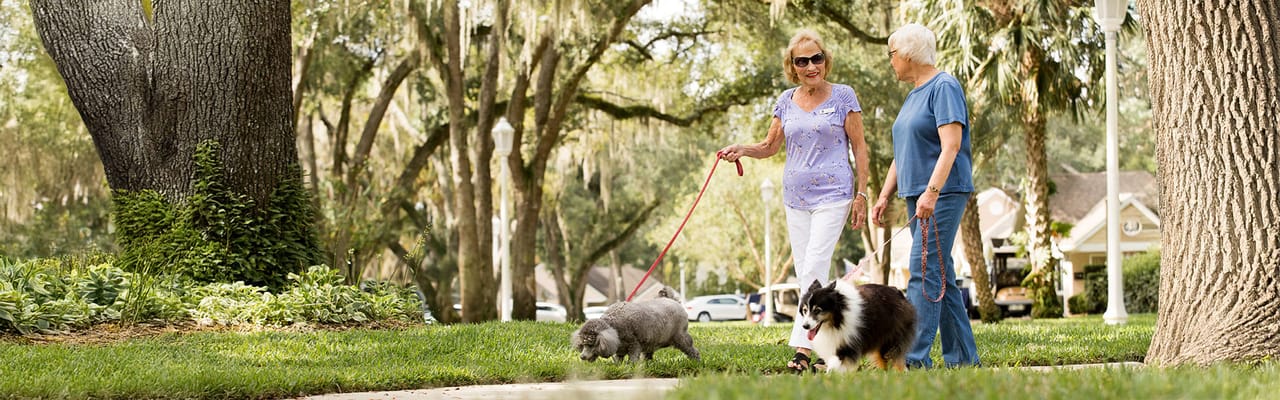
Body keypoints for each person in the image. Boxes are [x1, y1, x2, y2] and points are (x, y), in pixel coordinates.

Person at [717, 29, 870, 373]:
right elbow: (770, 146)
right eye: (802, 61)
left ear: (825, 59)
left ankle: (802, 349)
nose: (811, 66)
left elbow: (859, 147)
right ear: (793, 66)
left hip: (834, 193)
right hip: (795, 197)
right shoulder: (786, 100)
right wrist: (742, 149)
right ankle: (831, 345)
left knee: (815, 264)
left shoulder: (844, 96)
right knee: (808, 274)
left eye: (816, 58)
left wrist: (862, 193)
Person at [871, 23, 980, 368]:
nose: (891, 61)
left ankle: (912, 360)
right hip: (915, 195)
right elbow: (902, 153)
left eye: (891, 54)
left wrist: (932, 193)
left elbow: (951, 145)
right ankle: (963, 360)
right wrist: (884, 195)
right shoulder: (914, 93)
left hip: (942, 194)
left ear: (907, 54)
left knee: (923, 273)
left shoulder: (943, 86)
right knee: (939, 275)